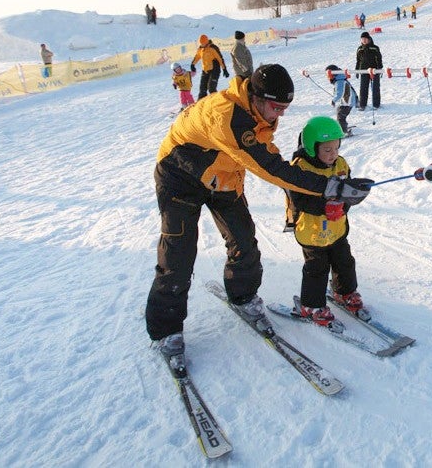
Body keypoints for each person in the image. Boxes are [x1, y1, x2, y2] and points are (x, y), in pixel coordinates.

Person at [146, 64, 375, 372]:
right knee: (179, 253)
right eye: (275, 107)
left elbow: (268, 152)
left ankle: (243, 297)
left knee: (244, 242)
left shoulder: (258, 112)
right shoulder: (227, 116)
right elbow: (270, 168)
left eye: (285, 109)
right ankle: (166, 330)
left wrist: (334, 182)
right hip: (179, 177)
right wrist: (330, 187)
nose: (279, 115)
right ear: (255, 96)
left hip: (223, 177)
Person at [284, 116, 368, 327]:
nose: (333, 155)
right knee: (317, 267)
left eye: (336, 148)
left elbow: (347, 191)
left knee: (344, 261)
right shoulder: (300, 168)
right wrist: (324, 207)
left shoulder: (340, 164)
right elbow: (299, 201)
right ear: (312, 148)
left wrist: (347, 202)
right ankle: (311, 305)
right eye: (327, 150)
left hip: (337, 228)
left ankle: (345, 293)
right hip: (311, 231)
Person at [190, 34, 229, 100]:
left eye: (203, 43)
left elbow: (220, 59)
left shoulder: (213, 48)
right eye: (201, 43)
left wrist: (224, 69)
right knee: (202, 90)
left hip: (214, 70)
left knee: (211, 88)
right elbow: (197, 57)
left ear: (206, 42)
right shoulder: (200, 49)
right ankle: (200, 105)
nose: (202, 45)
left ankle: (217, 101)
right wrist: (192, 64)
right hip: (205, 70)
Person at [326, 64, 358, 135]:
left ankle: (344, 132)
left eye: (328, 76)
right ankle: (342, 126)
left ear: (332, 75)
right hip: (346, 102)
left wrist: (334, 100)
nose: (328, 78)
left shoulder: (339, 82)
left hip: (347, 103)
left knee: (341, 116)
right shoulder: (340, 79)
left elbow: (339, 93)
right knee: (340, 113)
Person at [355, 31, 383, 111]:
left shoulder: (374, 48)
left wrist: (379, 69)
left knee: (375, 88)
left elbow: (379, 59)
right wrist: (357, 70)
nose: (364, 40)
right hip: (364, 71)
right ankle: (362, 105)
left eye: (365, 39)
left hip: (374, 71)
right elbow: (358, 61)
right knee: (363, 88)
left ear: (369, 39)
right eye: (362, 39)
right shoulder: (359, 49)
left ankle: (376, 104)